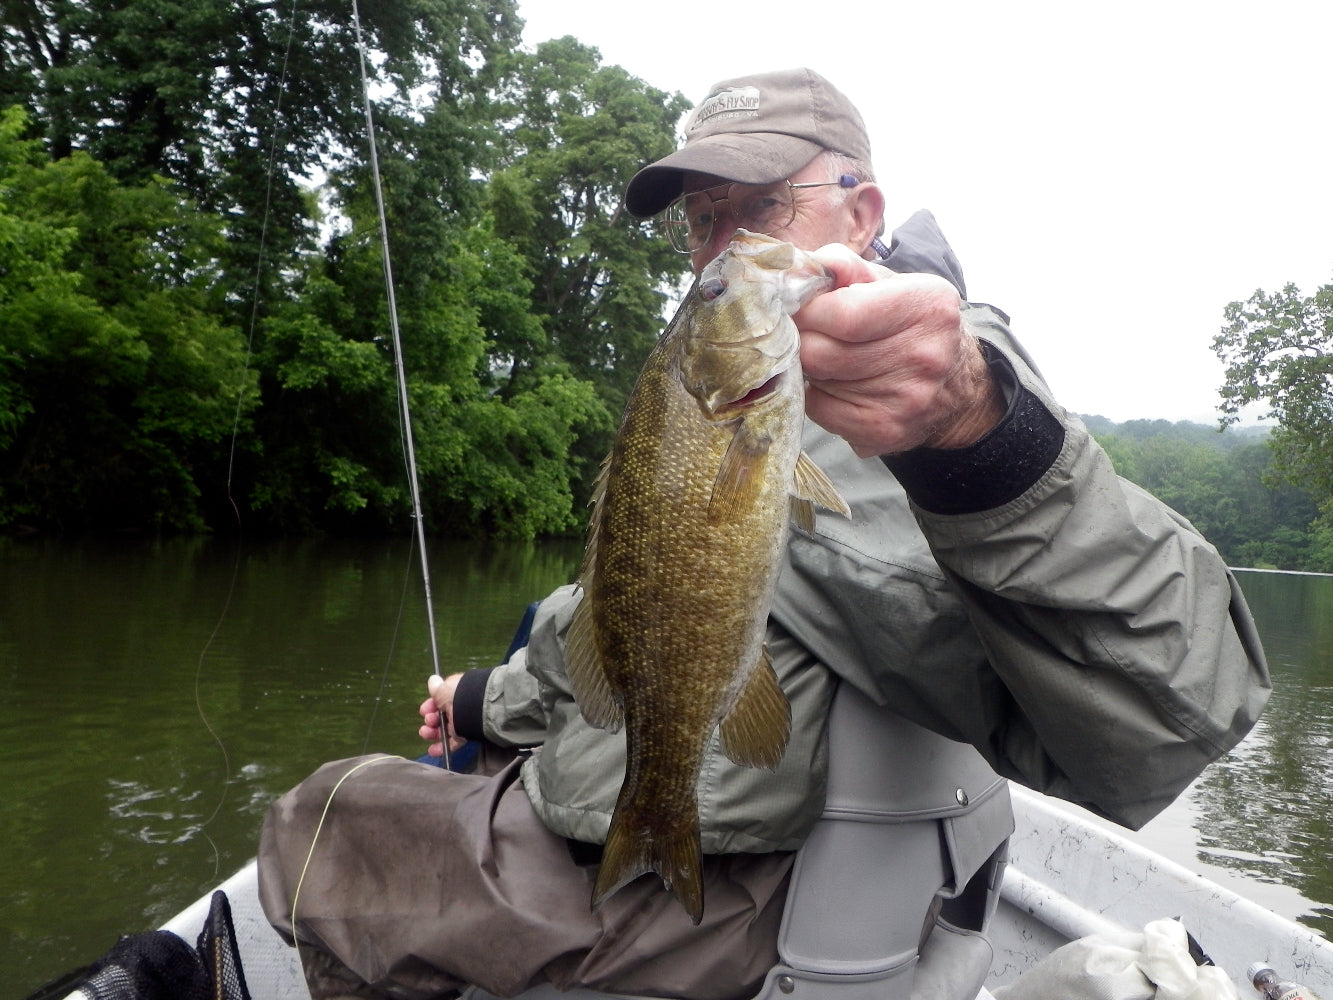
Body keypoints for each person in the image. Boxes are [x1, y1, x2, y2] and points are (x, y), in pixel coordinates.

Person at [258, 68, 1270, 1000]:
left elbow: (1173, 708)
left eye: (761, 205)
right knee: (435, 780)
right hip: (635, 784)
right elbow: (641, 593)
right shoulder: (733, 394)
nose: (724, 243)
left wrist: (969, 426)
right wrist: (487, 695)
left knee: (320, 818)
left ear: (862, 212)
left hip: (718, 897)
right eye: (703, 222)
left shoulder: (914, 431)